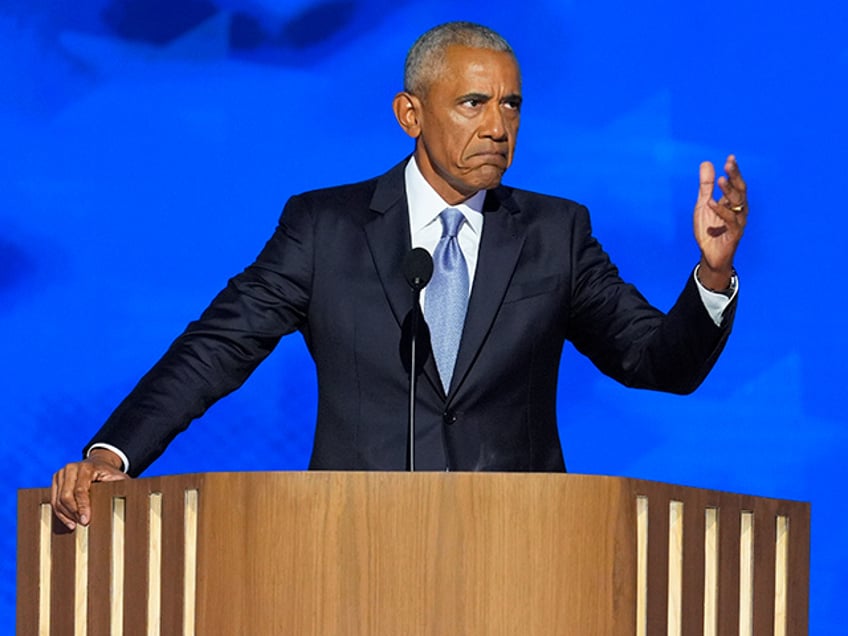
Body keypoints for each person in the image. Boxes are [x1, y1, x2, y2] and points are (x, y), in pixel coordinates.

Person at [52, 21, 747, 530]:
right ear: (410, 114)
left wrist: (712, 276)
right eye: (474, 103)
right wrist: (116, 452)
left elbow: (659, 362)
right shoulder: (325, 228)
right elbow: (218, 346)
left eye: (512, 105)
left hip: (526, 550)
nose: (499, 126)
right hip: (352, 542)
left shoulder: (554, 233)